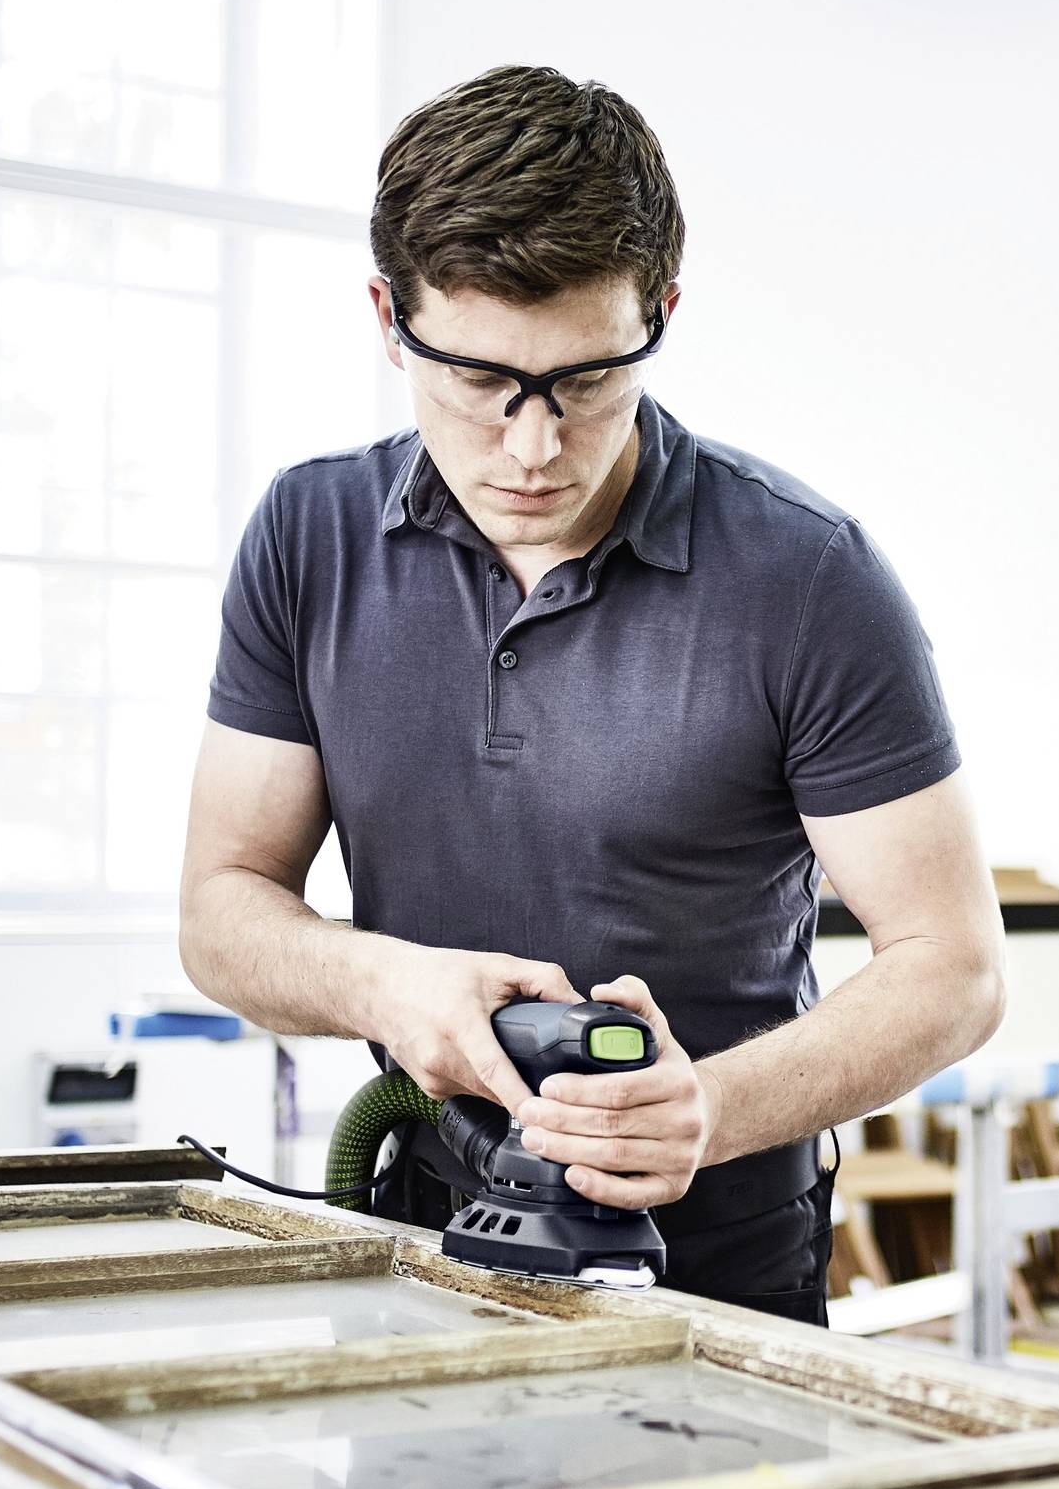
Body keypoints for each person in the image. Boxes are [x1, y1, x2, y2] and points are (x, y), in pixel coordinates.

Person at [177, 64, 1007, 1323]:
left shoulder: (806, 576)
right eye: (478, 381)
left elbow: (952, 968)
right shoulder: (309, 536)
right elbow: (221, 910)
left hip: (719, 1264)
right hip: (420, 1232)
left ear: (661, 313)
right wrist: (391, 988)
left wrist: (703, 1111)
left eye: (585, 381)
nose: (531, 445)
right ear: (387, 316)